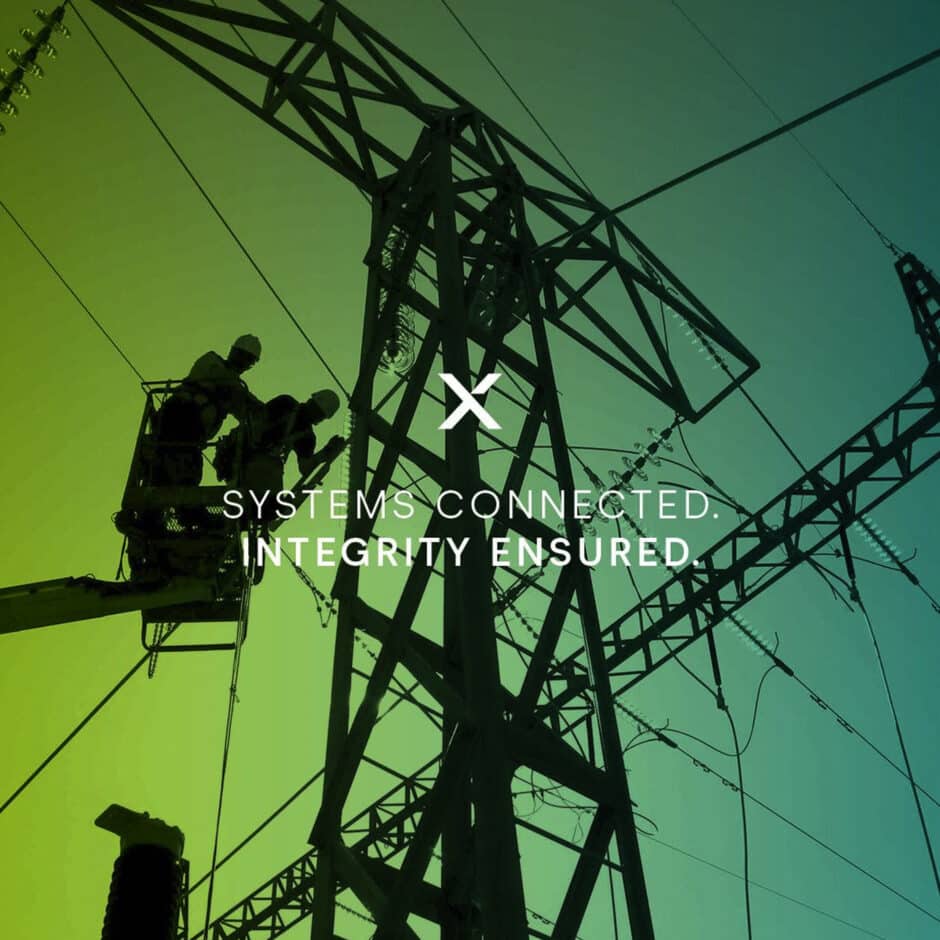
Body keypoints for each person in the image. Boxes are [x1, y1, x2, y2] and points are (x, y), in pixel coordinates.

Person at [149, 334, 263, 487]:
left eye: (248, 362)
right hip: (179, 418)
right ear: (233, 352)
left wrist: (268, 414)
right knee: (184, 475)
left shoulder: (233, 389)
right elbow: (234, 388)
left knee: (180, 474)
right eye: (243, 358)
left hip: (189, 435)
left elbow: (247, 411)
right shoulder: (211, 362)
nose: (243, 364)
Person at [216, 389, 344, 523]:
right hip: (236, 454)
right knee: (271, 476)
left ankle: (258, 512)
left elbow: (305, 468)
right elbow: (257, 426)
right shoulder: (286, 404)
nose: (316, 416)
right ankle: (262, 507)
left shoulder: (307, 437)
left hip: (251, 466)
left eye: (319, 414)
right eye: (317, 412)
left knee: (269, 504)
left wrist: (326, 452)